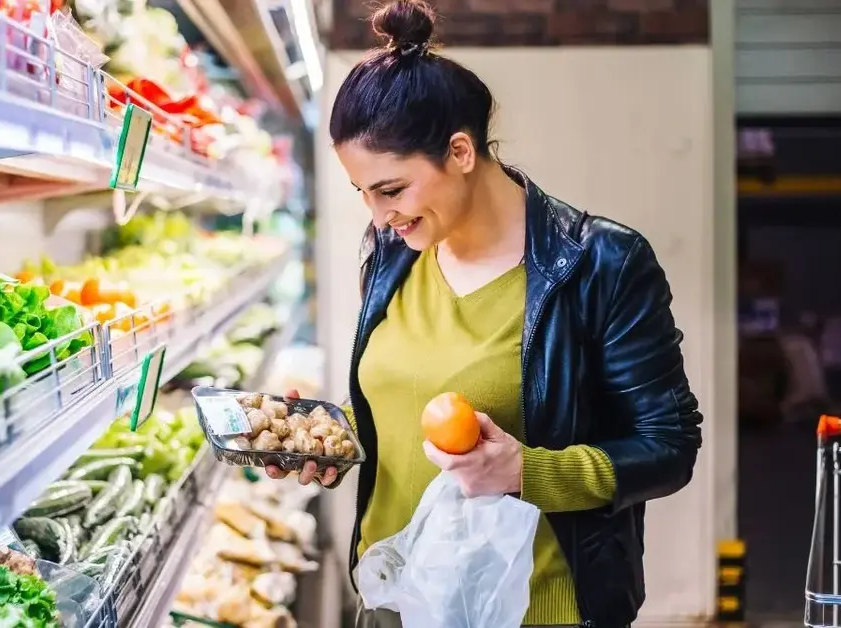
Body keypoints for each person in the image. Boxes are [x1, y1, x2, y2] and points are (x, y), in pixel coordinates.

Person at [264, 1, 702, 626]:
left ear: (462, 152)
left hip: (531, 606)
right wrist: (333, 440)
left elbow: (669, 447)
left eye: (391, 190)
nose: (378, 215)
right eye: (361, 193)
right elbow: (407, 400)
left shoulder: (602, 263)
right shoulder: (394, 251)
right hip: (392, 595)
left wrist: (526, 469)